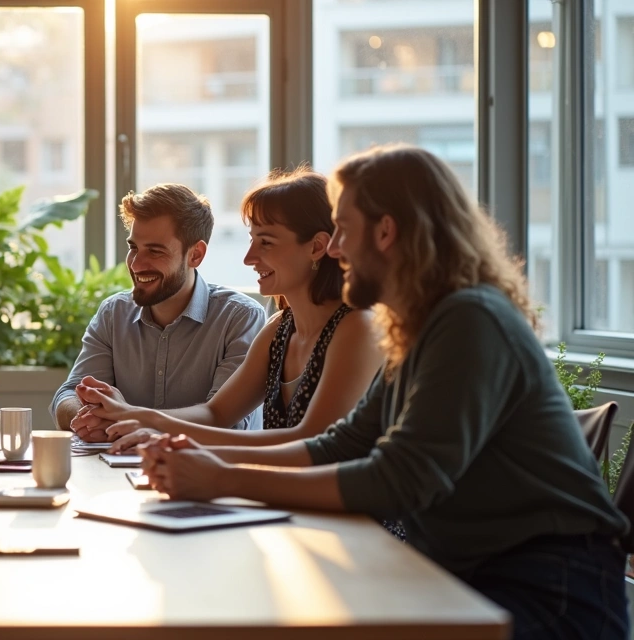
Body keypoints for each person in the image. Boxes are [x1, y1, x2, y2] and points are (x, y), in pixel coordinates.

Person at [140, 144, 629, 640]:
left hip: (548, 590)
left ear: (386, 231)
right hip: (468, 573)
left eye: (344, 230)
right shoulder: (419, 327)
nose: (335, 249)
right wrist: (204, 462)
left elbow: (401, 478)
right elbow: (342, 444)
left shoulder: (470, 319)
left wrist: (221, 478)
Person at [81, 169, 383, 455]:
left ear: (317, 247)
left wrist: (153, 428)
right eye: (252, 240)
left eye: (265, 242)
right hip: (289, 490)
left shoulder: (357, 327)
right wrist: (140, 421)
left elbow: (312, 445)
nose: (249, 258)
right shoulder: (279, 329)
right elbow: (216, 414)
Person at [50, 183, 266, 437]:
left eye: (155, 251)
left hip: (210, 463)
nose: (136, 264)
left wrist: (127, 418)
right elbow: (68, 394)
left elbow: (227, 422)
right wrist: (87, 418)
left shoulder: (240, 318)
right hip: (120, 461)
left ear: (195, 255)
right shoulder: (113, 314)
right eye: (133, 248)